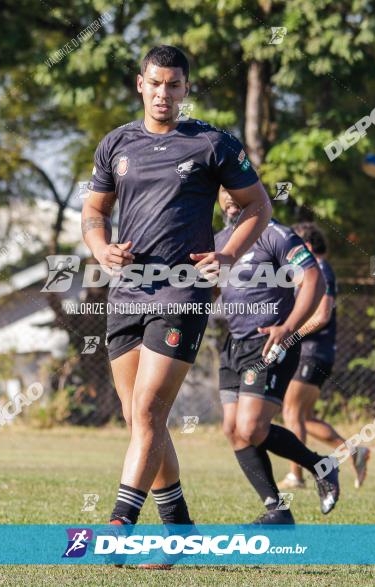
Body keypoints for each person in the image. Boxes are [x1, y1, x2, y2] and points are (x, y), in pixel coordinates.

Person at [81, 45, 272, 530]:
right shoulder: (116, 143)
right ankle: (179, 527)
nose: (164, 93)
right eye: (155, 82)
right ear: (140, 84)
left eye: (174, 84)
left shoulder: (213, 144)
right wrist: (101, 250)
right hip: (126, 293)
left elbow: (257, 206)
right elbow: (94, 212)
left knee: (147, 410)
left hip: (182, 292)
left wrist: (228, 254)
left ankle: (119, 525)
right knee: (138, 417)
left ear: (186, 89)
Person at [215, 188, 340, 524]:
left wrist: (288, 327)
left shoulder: (276, 234)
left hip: (269, 342)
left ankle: (319, 466)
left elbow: (313, 280)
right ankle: (277, 509)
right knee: (232, 429)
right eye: (222, 192)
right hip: (233, 346)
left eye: (234, 190)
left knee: (252, 427)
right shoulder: (220, 241)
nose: (228, 198)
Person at [278, 222, 370, 491]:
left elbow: (322, 315)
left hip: (311, 352)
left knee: (291, 412)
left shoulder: (319, 269)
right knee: (303, 418)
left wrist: (290, 335)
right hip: (317, 353)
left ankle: (296, 476)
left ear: (306, 246)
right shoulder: (311, 271)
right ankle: (354, 452)